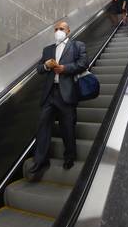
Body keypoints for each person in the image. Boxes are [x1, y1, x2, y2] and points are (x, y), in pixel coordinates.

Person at [30, 21, 88, 174]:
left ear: (68, 31)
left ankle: (69, 156)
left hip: (67, 93)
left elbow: (83, 64)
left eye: (61, 29)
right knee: (42, 126)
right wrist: (46, 66)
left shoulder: (77, 46)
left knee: (67, 127)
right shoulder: (48, 50)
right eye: (56, 29)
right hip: (50, 94)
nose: (58, 31)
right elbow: (39, 69)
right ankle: (40, 160)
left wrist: (65, 68)